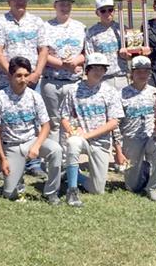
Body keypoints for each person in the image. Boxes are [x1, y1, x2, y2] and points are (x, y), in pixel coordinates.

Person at [0, 0, 49, 177]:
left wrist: (36, 73)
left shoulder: (37, 22)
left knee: (33, 120)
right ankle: (8, 161)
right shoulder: (0, 22)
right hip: (6, 79)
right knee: (6, 122)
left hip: (32, 80)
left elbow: (43, 50)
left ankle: (33, 163)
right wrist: (14, 75)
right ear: (9, 1)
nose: (20, 1)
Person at [0, 56, 63, 205]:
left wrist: (36, 146)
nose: (23, 79)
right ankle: (17, 179)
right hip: (11, 145)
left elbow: (46, 125)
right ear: (10, 76)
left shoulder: (35, 96)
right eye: (18, 75)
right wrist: (3, 159)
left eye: (26, 75)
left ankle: (52, 192)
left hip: (31, 141)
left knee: (56, 149)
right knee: (10, 195)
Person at [60, 53, 125, 207]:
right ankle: (72, 190)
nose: (98, 72)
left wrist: (88, 135)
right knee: (73, 143)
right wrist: (72, 130)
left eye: (101, 68)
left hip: (100, 141)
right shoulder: (73, 90)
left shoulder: (110, 92)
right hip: (80, 138)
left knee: (97, 189)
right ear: (86, 70)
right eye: (94, 68)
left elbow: (114, 122)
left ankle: (73, 176)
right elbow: (63, 116)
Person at [86, 0, 129, 172]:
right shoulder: (91, 32)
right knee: (107, 120)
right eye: (103, 10)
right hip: (103, 80)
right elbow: (89, 57)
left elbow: (134, 51)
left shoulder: (123, 30)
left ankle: (123, 156)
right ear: (97, 12)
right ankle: (110, 155)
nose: (107, 13)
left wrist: (129, 54)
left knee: (123, 119)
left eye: (110, 10)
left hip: (121, 77)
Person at [119, 56, 156, 201]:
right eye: (138, 71)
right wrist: (117, 147)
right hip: (131, 139)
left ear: (150, 73)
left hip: (150, 137)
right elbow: (116, 123)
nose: (142, 74)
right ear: (131, 73)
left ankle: (153, 188)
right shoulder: (122, 94)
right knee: (132, 187)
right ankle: (145, 169)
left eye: (146, 71)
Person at [40, 0, 85, 142]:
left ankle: (69, 161)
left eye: (68, 4)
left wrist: (75, 62)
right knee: (53, 122)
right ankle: (54, 161)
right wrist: (64, 65)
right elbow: (42, 54)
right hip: (52, 81)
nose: (65, 7)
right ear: (55, 5)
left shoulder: (80, 27)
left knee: (71, 122)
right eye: (61, 4)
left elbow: (86, 52)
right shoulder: (46, 27)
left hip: (74, 82)